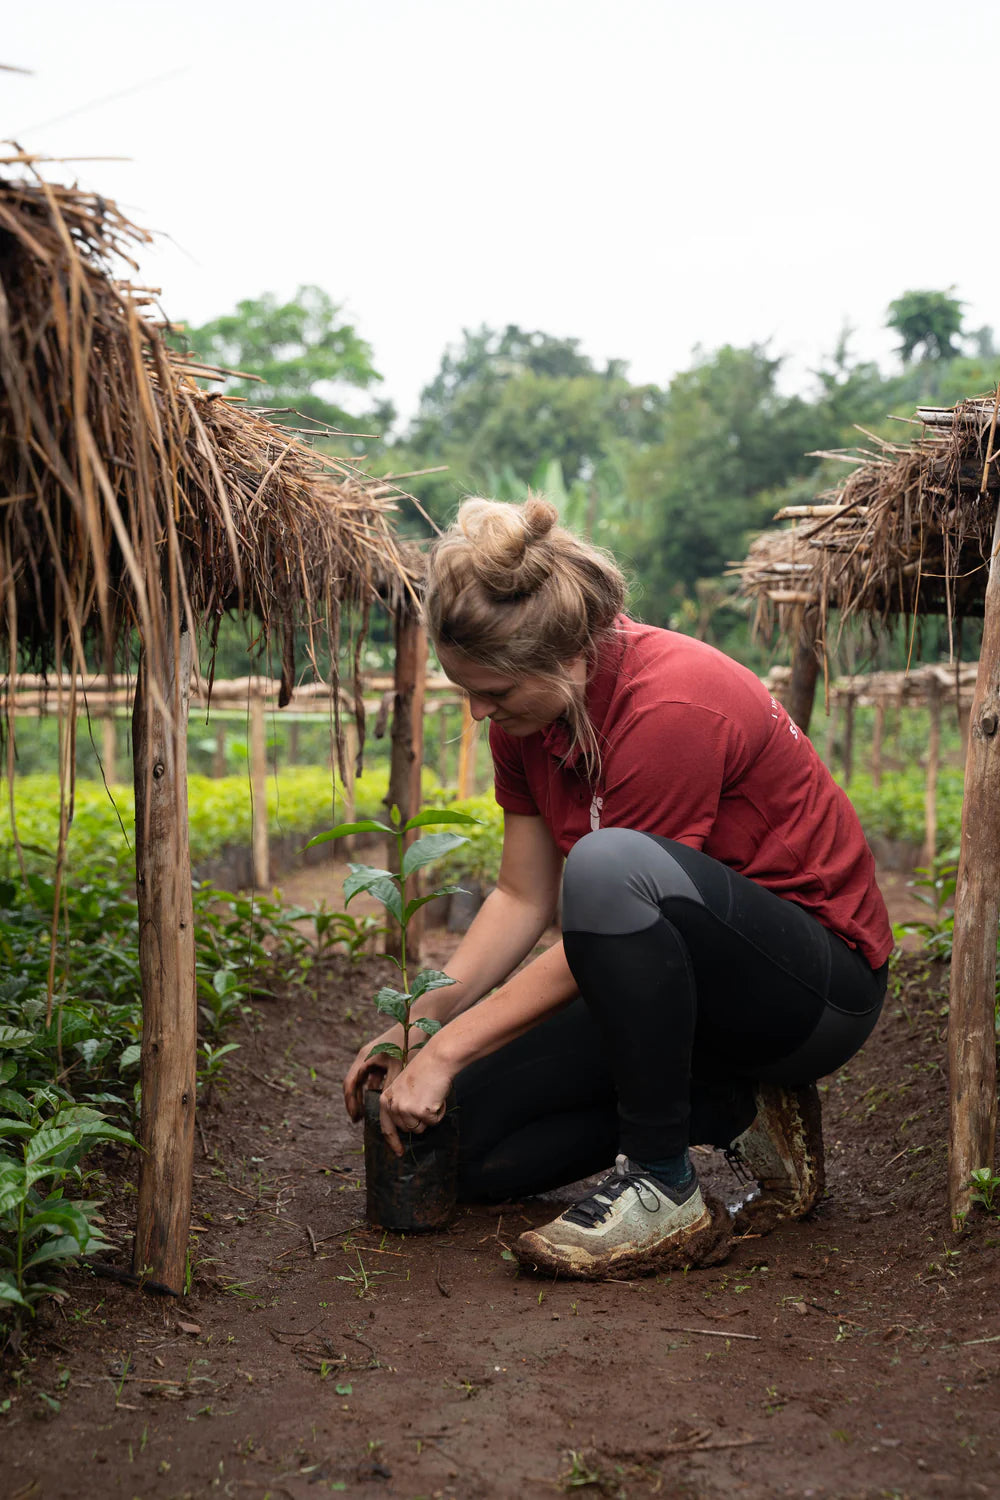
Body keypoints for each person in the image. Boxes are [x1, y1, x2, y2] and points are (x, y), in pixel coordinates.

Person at [343, 497, 892, 1280]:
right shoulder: (527, 726)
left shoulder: (671, 703)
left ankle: (664, 1183)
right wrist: (419, 1031)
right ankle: (727, 1106)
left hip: (812, 992)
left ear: (567, 661)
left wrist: (453, 1048)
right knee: (462, 1144)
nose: (477, 712)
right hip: (677, 989)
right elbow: (522, 897)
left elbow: (608, 904)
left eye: (494, 693)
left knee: (605, 864)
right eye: (467, 689)